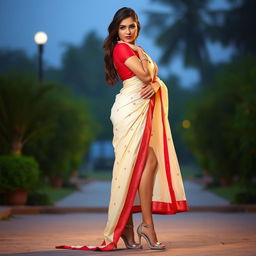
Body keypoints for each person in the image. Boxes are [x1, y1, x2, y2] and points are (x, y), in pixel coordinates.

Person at [56, 7, 188, 252]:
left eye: (132, 26)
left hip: (139, 107)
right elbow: (145, 76)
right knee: (140, 163)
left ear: (138, 28)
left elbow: (152, 80)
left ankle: (131, 227)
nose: (128, 31)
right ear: (117, 30)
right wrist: (153, 77)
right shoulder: (122, 48)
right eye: (123, 27)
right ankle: (144, 226)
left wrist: (157, 84)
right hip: (129, 110)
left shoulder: (138, 50)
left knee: (145, 164)